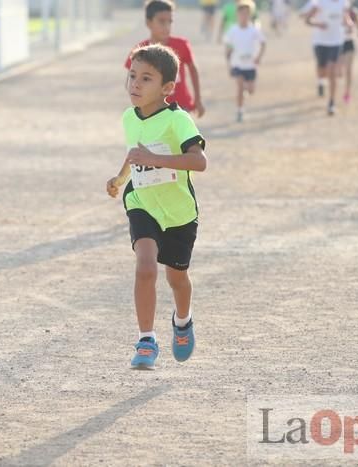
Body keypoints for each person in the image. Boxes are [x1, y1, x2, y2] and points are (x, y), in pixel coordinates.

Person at [107, 44, 207, 370]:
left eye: (146, 78)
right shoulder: (128, 117)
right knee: (146, 266)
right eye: (132, 76)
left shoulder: (178, 120)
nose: (135, 84)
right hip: (142, 202)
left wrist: (155, 159)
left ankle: (182, 321)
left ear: (166, 88)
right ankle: (146, 339)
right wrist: (121, 179)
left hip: (178, 211)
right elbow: (134, 153)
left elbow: (199, 161)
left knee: (177, 279)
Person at [125, 0, 205, 118]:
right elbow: (130, 80)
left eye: (170, 22)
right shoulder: (140, 51)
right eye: (162, 21)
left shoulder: (181, 44)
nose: (167, 26)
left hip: (180, 106)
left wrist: (198, 99)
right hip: (151, 109)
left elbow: (193, 70)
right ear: (148, 23)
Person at [303, 0, 352, 116]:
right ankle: (320, 82)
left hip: (336, 42)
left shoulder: (343, 3)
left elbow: (346, 19)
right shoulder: (320, 3)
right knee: (322, 72)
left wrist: (349, 24)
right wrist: (318, 24)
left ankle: (331, 102)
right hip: (320, 42)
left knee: (332, 72)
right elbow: (307, 20)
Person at [224, 0, 266, 122]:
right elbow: (227, 47)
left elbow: (263, 43)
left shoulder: (254, 30)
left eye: (247, 14)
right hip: (237, 64)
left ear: (250, 15)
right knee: (240, 86)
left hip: (250, 66)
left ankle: (245, 93)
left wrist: (259, 57)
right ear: (237, 14)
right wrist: (229, 64)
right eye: (242, 13)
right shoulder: (233, 30)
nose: (244, 16)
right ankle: (240, 111)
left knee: (251, 90)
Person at [339, 0, 358, 103]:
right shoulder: (337, 9)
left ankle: (347, 92)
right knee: (339, 72)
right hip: (337, 43)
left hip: (349, 43)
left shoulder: (354, 12)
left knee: (348, 70)